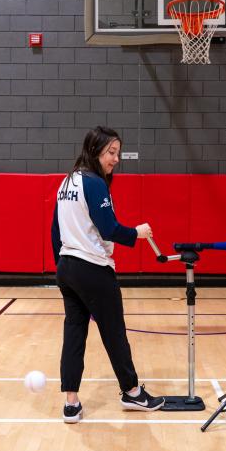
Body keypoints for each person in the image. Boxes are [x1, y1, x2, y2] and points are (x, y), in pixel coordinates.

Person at [51, 126, 165, 424]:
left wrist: (61, 266)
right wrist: (136, 233)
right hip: (92, 269)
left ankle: (71, 402)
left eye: (117, 153)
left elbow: (55, 230)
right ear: (94, 151)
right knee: (114, 331)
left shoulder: (67, 182)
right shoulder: (94, 183)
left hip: (68, 267)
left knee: (74, 332)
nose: (116, 159)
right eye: (110, 153)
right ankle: (131, 391)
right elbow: (109, 229)